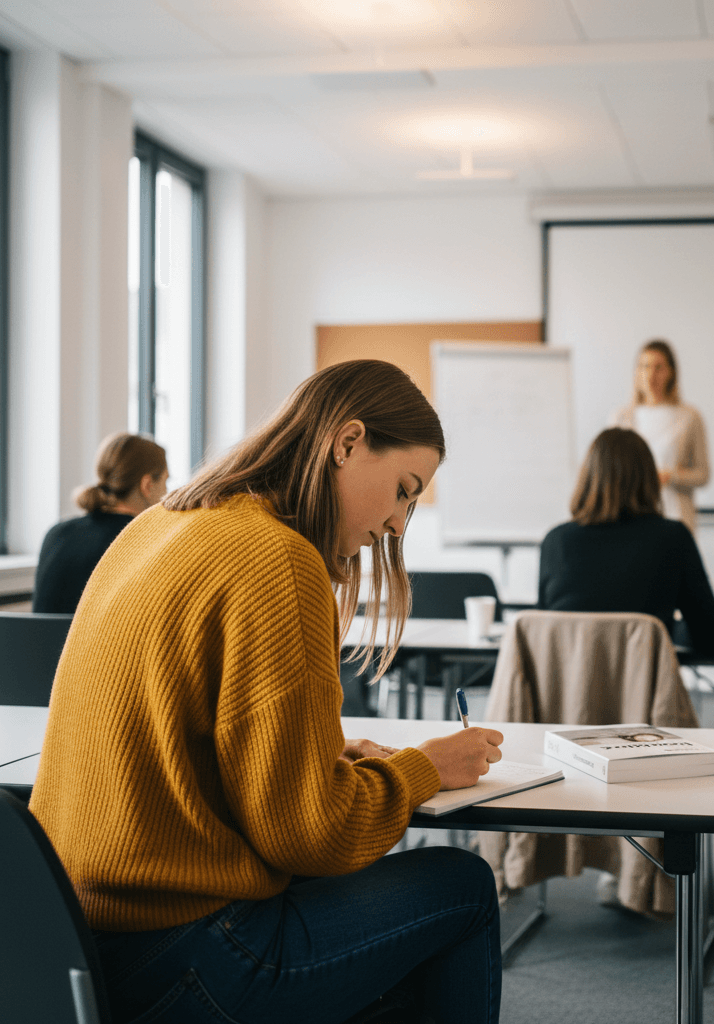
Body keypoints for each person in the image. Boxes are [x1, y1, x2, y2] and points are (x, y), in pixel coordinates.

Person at [30, 360, 505, 1024]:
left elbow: (203, 746)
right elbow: (310, 835)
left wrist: (326, 760)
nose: (399, 524)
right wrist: (425, 769)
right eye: (403, 489)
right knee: (464, 886)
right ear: (347, 443)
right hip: (188, 952)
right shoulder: (279, 559)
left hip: (73, 941)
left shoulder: (160, 523)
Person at [538, 427, 714, 657]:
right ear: (649, 479)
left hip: (569, 690)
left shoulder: (556, 541)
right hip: (644, 690)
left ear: (587, 477)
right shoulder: (673, 538)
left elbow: (545, 634)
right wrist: (665, 630)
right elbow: (711, 637)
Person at [32, 432, 169, 613]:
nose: (167, 492)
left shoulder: (57, 533)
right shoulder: (142, 541)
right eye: (166, 481)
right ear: (148, 485)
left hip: (39, 642)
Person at [610, 339, 710, 534]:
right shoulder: (620, 418)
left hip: (675, 517)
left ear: (671, 372)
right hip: (631, 519)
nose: (650, 375)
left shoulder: (689, 417)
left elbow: (703, 474)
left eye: (658, 368)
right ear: (636, 372)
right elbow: (610, 472)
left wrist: (670, 476)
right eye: (644, 366)